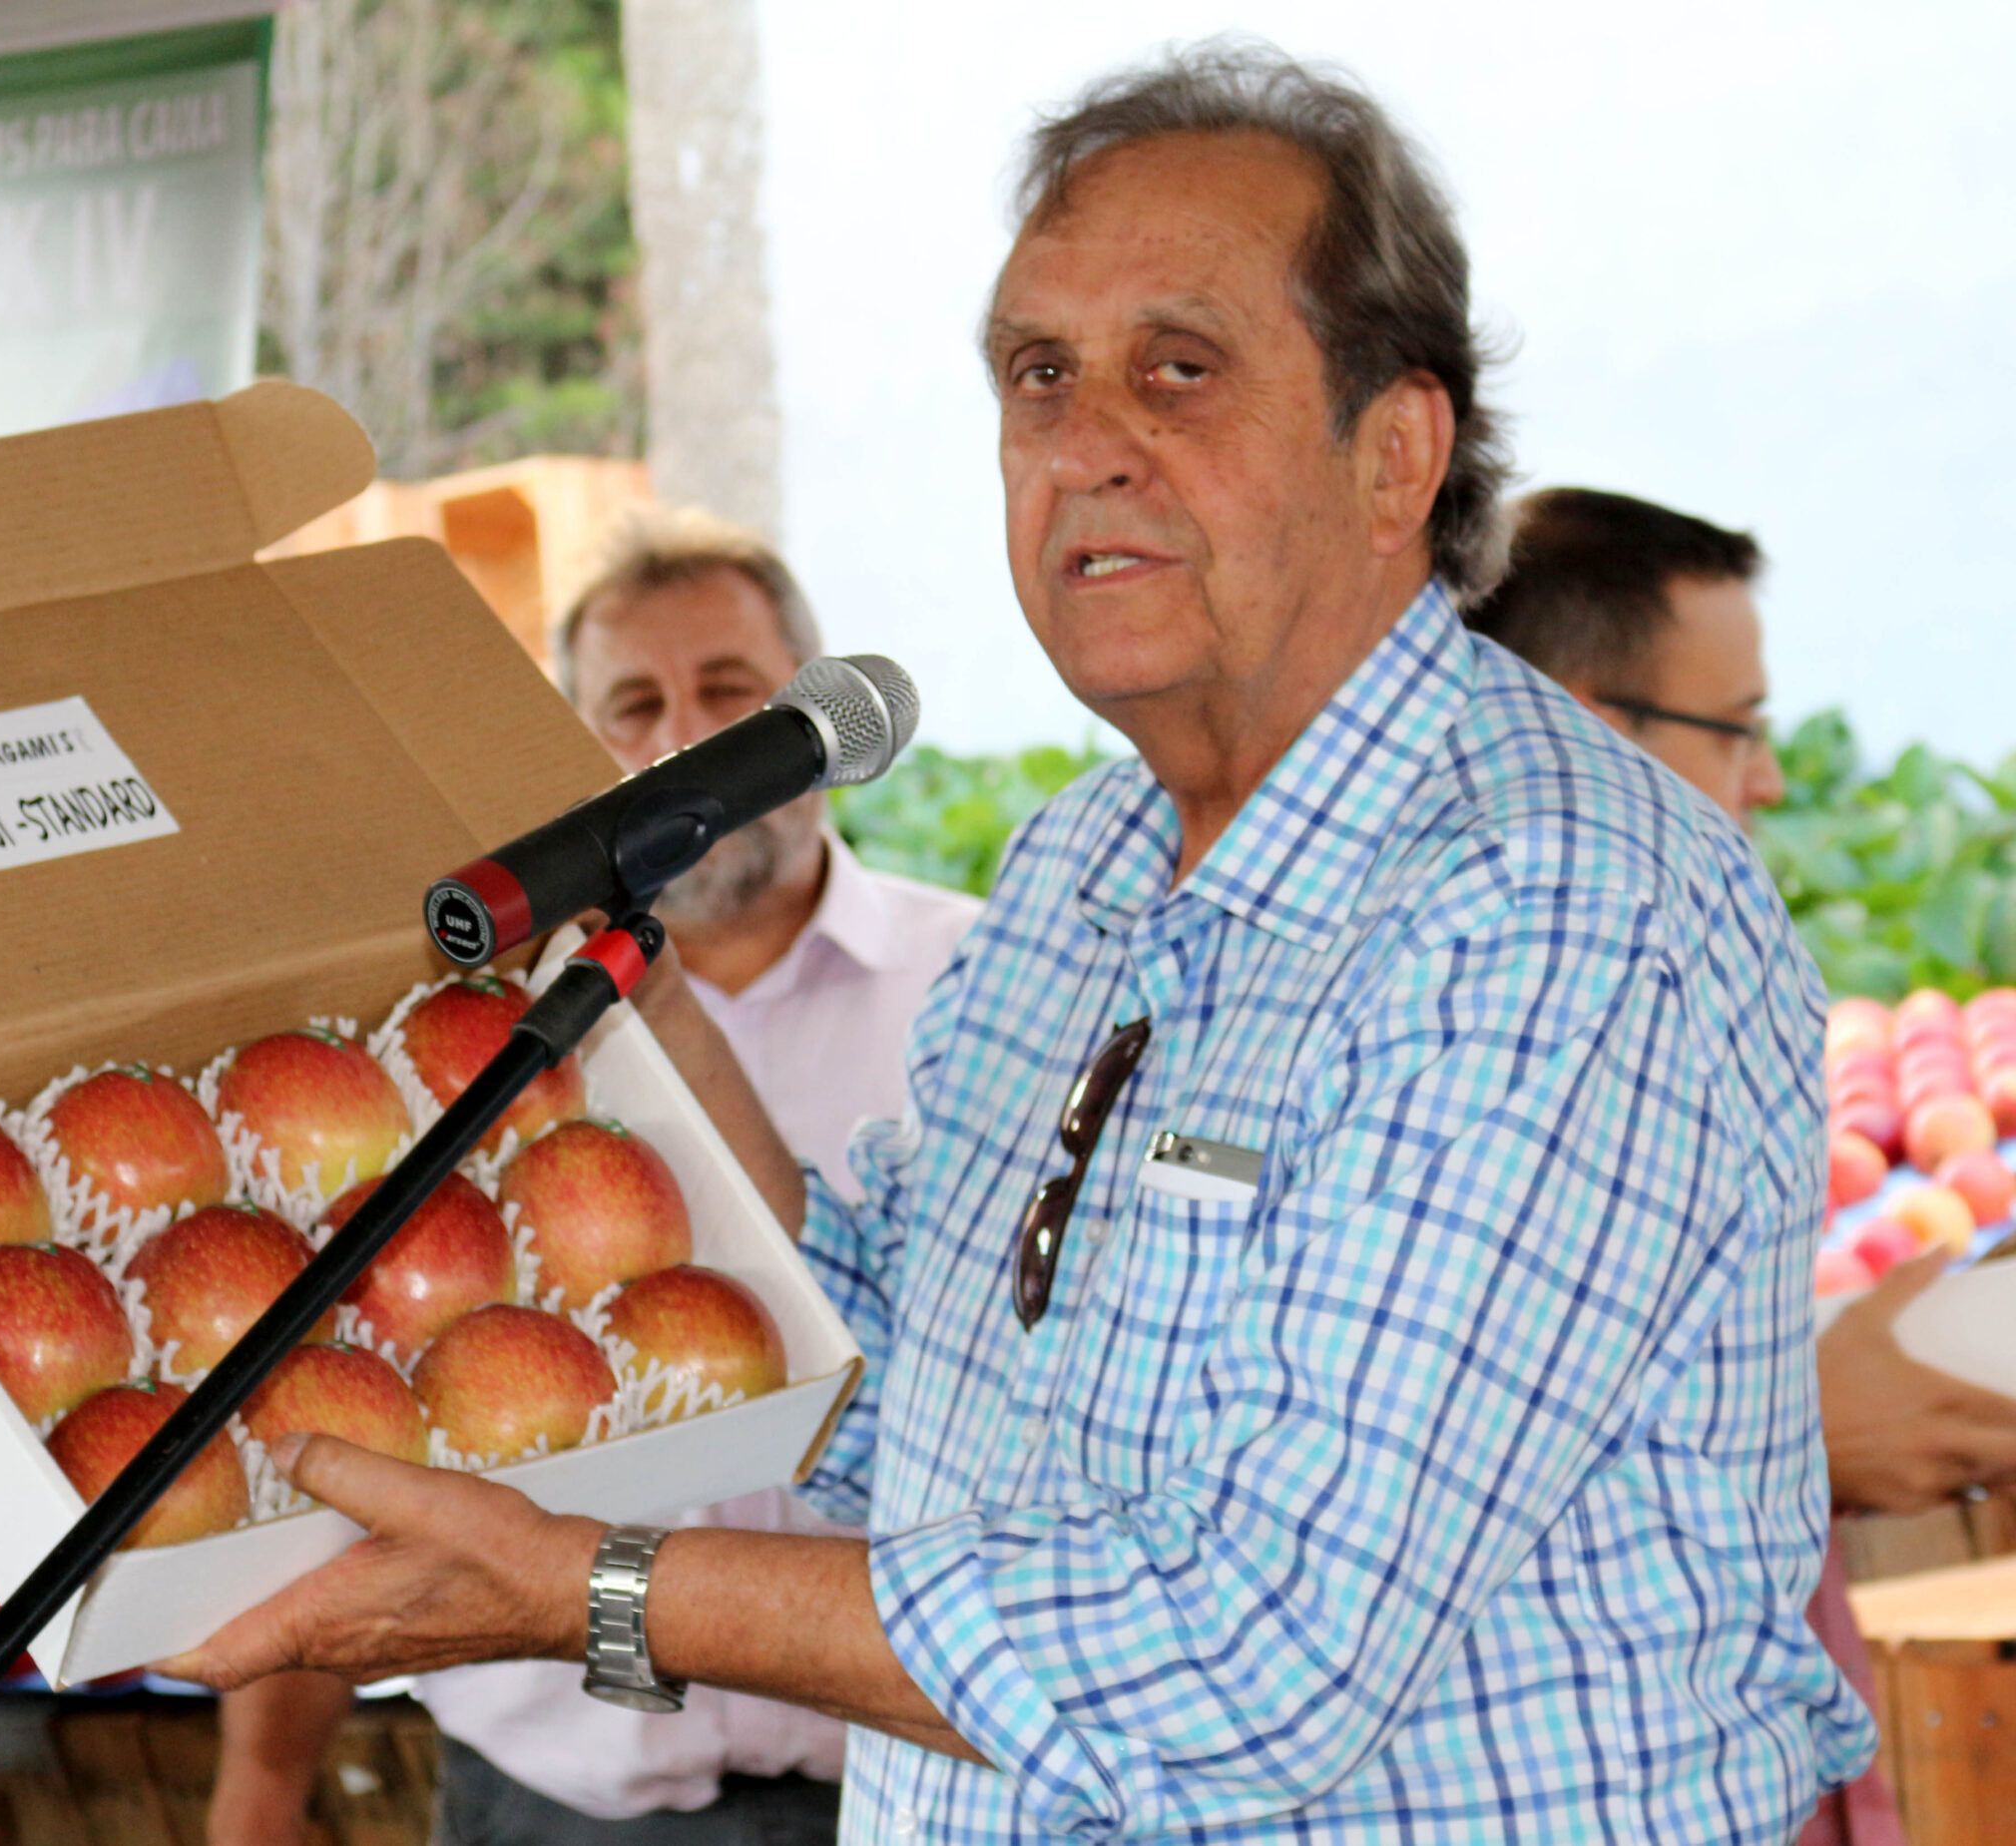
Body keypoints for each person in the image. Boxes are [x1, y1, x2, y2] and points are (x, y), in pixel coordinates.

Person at [173, 44, 1875, 1841]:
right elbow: (909, 1386)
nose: (1084, 448)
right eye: (1037, 375)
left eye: (1179, 371)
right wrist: (632, 982)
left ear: (1397, 449)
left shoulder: (1554, 907)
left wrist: (592, 1586)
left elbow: (1253, 1653)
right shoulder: (1078, 873)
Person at [209, 510, 983, 1845]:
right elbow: (341, 1384)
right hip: (553, 1803)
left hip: (906, 1783)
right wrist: (264, 1776)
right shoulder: (460, 1041)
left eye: (729, 695)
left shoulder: (985, 987)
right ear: (578, 749)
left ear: (815, 724)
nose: (681, 736)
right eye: (634, 703)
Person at [1466, 484, 2016, 1845]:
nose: (1768, 780)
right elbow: (1353, 1526)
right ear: (1593, 734)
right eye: (1739, 729)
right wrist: (1800, 1430)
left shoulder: (1681, 1011)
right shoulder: (1444, 1047)